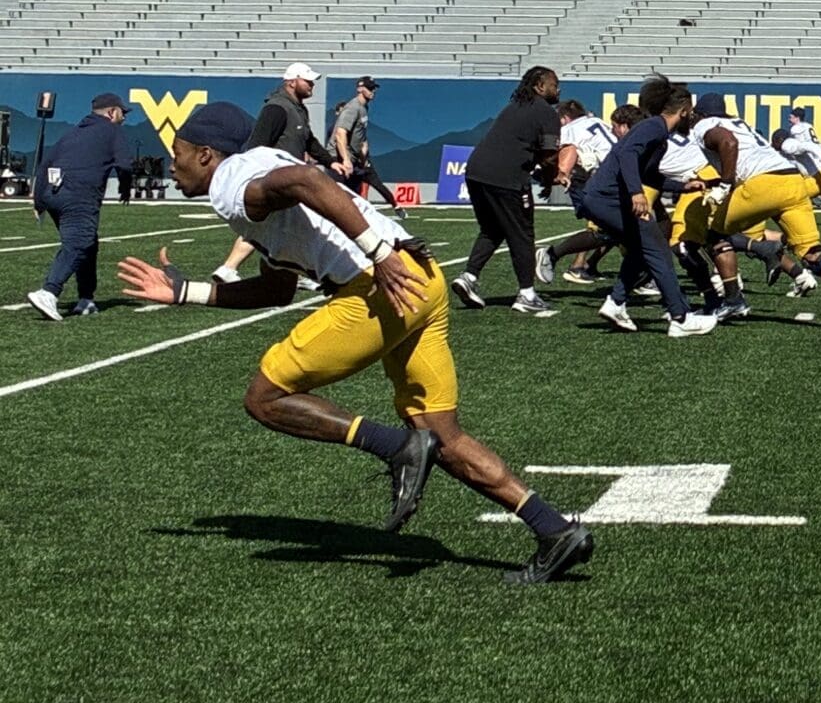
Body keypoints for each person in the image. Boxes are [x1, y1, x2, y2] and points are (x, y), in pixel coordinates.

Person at [118, 101, 592, 584]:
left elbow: (308, 183)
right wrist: (185, 292)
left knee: (264, 398)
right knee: (443, 437)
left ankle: (397, 447)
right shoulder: (256, 168)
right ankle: (554, 530)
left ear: (205, 154)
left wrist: (377, 253)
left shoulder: (229, 182)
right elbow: (277, 288)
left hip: (380, 284)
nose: (170, 164)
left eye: (176, 152)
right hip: (421, 280)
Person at [698, 100, 821, 330]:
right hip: (793, 181)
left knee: (712, 234)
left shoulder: (706, 125)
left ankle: (734, 298)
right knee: (814, 255)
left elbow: (727, 143)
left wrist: (723, 185)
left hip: (763, 183)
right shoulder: (740, 124)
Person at [581, 85, 717, 337]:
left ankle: (616, 303)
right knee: (659, 251)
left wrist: (683, 186)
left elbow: (649, 175)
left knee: (641, 250)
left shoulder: (658, 135)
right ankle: (681, 317)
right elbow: (627, 155)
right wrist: (636, 192)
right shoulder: (653, 127)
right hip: (608, 199)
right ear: (684, 111)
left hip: (603, 198)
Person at [451, 66, 560, 314]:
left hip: (476, 171)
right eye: (554, 84)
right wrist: (549, 179)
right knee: (522, 233)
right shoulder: (547, 113)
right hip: (507, 177)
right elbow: (550, 156)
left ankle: (469, 276)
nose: (558, 89)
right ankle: (526, 294)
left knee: (492, 229)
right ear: (539, 86)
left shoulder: (514, 106)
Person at [213, 61, 333, 285]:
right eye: (307, 81)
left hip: (291, 178)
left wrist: (331, 162)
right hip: (277, 178)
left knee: (288, 226)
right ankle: (229, 267)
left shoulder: (298, 108)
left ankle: (294, 271)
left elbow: (309, 141)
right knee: (270, 224)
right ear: (291, 82)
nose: (311, 85)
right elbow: (258, 144)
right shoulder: (277, 108)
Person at [26, 91, 135, 320]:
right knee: (80, 242)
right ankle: (49, 292)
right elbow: (125, 165)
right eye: (122, 113)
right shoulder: (112, 131)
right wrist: (126, 188)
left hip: (53, 194)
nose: (124, 117)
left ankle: (86, 299)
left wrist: (39, 201)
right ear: (112, 112)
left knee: (88, 244)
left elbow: (46, 163)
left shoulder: (72, 133)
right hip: (78, 195)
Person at [534, 100, 627, 287]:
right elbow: (572, 151)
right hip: (600, 180)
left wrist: (548, 176)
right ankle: (564, 260)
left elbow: (566, 151)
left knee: (615, 228)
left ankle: (563, 259)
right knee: (614, 227)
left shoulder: (569, 129)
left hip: (598, 178)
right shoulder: (599, 123)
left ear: (565, 118)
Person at [328, 76, 401, 213]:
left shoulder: (363, 107)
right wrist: (346, 159)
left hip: (354, 157)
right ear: (360, 89)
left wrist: (362, 156)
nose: (373, 91)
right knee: (338, 200)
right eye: (369, 88)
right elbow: (340, 133)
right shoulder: (352, 108)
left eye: (374, 88)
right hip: (340, 159)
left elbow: (360, 135)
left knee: (354, 199)